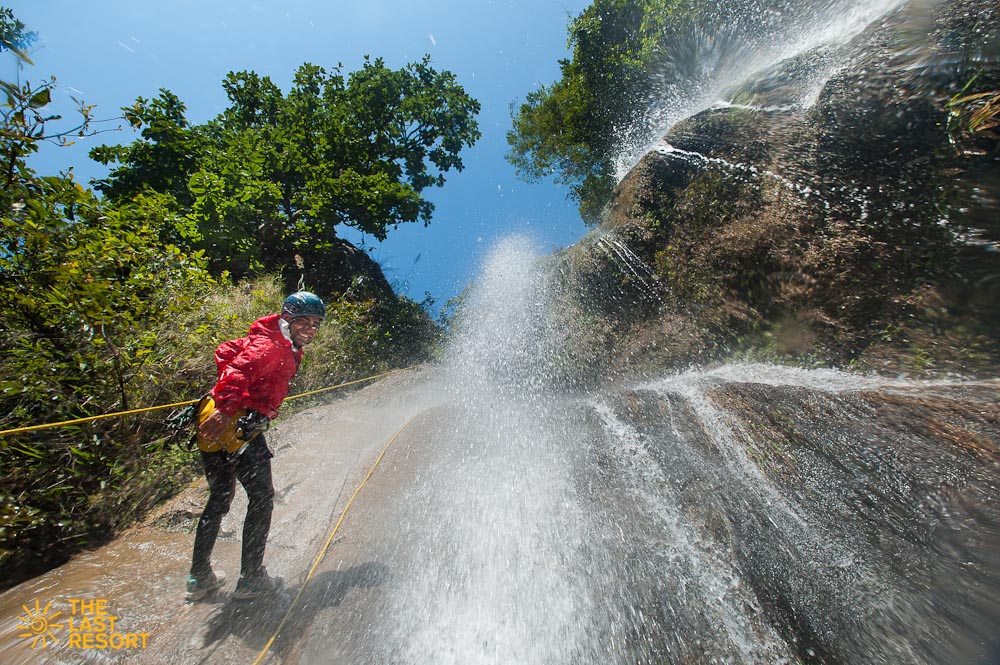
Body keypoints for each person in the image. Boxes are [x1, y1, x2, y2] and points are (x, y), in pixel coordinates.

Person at [185, 291, 326, 601]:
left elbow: (226, 352)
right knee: (262, 498)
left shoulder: (270, 338)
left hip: (213, 416)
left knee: (220, 497)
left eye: (316, 324)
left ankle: (199, 576)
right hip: (234, 422)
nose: (311, 330)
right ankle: (251, 577)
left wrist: (221, 404)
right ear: (288, 318)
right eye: (305, 323)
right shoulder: (272, 345)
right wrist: (227, 409)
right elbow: (239, 370)